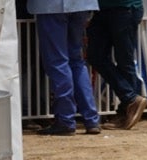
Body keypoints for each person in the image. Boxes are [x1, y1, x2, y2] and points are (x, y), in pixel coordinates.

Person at [28, 0, 101, 136]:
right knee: (76, 61)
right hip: (81, 5)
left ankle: (65, 119)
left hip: (51, 6)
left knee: (58, 62)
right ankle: (91, 119)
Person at [87, 0, 147, 130]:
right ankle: (130, 100)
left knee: (124, 61)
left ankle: (126, 110)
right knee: (96, 55)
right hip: (107, 9)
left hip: (124, 8)